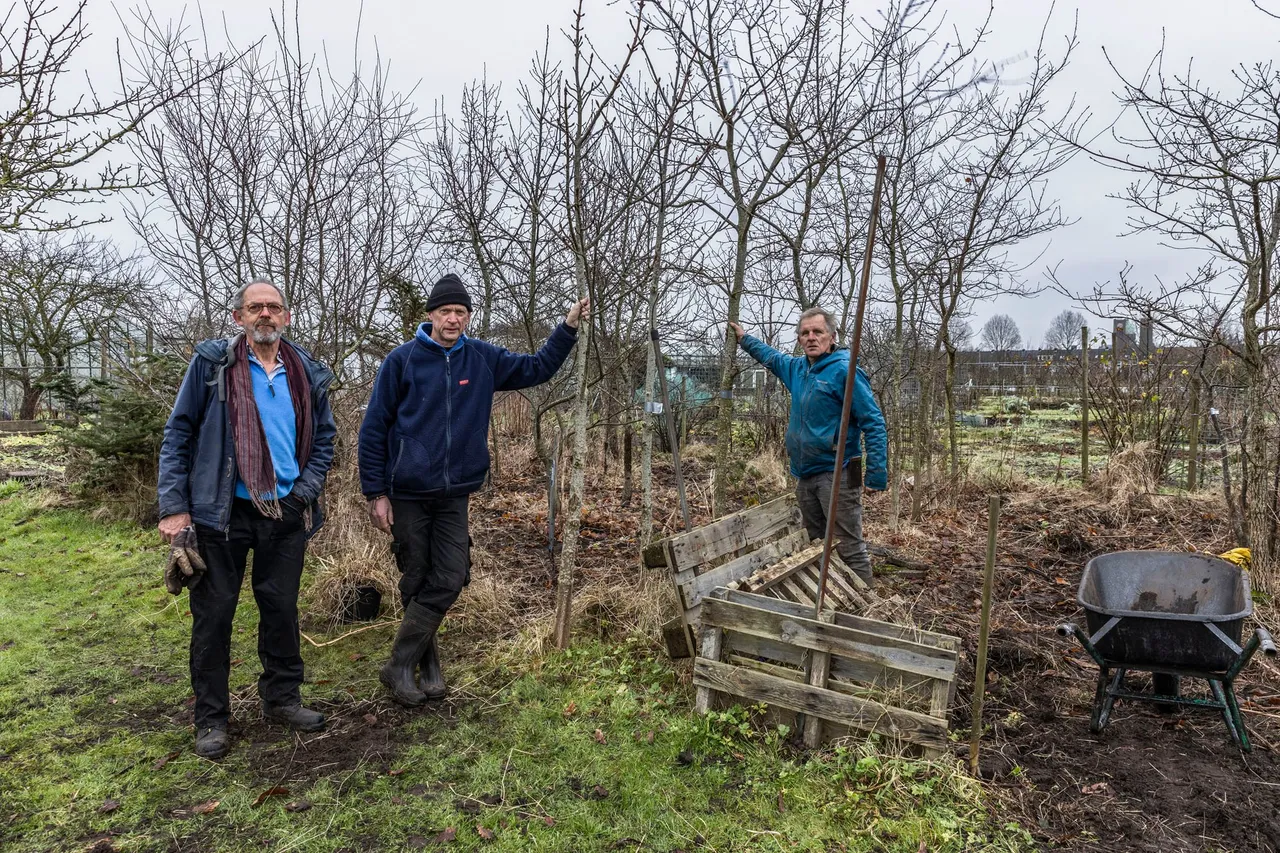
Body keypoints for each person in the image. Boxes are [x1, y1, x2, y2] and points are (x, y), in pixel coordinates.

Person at [358, 273, 588, 706]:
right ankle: (426, 664)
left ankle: (398, 664)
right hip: (406, 490)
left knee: (451, 574)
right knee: (416, 574)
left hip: (454, 491)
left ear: (468, 317)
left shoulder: (482, 358)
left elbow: (538, 367)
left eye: (460, 312)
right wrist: (376, 493)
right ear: (429, 315)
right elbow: (374, 430)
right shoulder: (402, 361)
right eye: (445, 311)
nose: (453, 319)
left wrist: (568, 326)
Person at [157, 278, 336, 759]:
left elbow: (324, 442)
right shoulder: (214, 365)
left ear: (287, 316)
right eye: (255, 307)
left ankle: (282, 699)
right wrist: (174, 507)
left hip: (286, 512)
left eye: (274, 307)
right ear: (239, 317)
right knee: (214, 616)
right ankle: (211, 718)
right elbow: (178, 433)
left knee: (280, 609)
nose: (265, 315)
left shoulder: (308, 373)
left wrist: (303, 494)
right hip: (221, 512)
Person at [730, 307, 887, 586]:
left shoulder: (845, 371)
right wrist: (744, 339)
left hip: (838, 472)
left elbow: (873, 422)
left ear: (832, 336)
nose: (811, 337)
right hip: (805, 473)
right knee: (815, 542)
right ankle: (830, 596)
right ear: (799, 339)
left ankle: (866, 607)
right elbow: (771, 357)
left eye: (818, 332)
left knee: (847, 544)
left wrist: (876, 473)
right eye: (805, 333)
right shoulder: (798, 369)